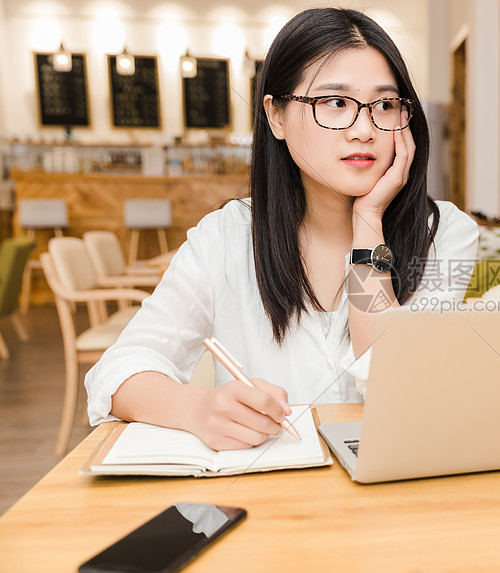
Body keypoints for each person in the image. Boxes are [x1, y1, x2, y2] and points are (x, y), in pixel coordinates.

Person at [85, 8, 479, 451]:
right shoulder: (227, 236)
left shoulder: (443, 234)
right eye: (336, 103)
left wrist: (369, 224)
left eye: (385, 105)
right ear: (276, 116)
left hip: (393, 491)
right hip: (265, 502)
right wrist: (197, 409)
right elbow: (118, 371)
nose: (364, 130)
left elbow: (399, 384)